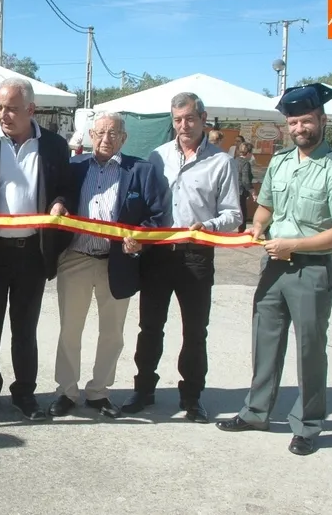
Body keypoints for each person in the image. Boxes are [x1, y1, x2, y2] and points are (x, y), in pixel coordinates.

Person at [216, 83, 332, 456]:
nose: (299, 128)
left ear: (322, 120)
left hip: (311, 270)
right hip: (273, 267)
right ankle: (256, 412)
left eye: (306, 121)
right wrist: (257, 226)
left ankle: (308, 424)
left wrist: (292, 245)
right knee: (264, 342)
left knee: (310, 350)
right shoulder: (280, 162)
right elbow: (266, 206)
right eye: (293, 122)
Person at [121, 92, 241, 423]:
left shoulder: (221, 162)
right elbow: (145, 203)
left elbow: (233, 214)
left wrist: (209, 225)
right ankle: (143, 390)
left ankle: (192, 398)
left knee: (195, 330)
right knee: (149, 327)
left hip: (195, 256)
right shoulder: (157, 156)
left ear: (203, 118)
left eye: (189, 118)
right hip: (158, 256)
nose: (183, 125)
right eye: (177, 120)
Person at [0, 77, 70, 421]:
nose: (3, 115)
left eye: (11, 108)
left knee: (25, 329)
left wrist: (60, 203)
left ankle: (24, 393)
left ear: (31, 110)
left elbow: (64, 187)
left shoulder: (54, 145)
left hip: (31, 253)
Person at [48, 112, 165, 419]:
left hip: (117, 262)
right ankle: (66, 391)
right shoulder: (74, 166)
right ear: (90, 135)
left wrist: (140, 238)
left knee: (112, 333)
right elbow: (57, 195)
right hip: (76, 258)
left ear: (124, 138)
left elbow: (156, 215)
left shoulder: (140, 170)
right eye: (100, 133)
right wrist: (58, 204)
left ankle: (99, 392)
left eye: (113, 133)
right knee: (70, 330)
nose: (105, 139)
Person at [235, 141, 257, 233]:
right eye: (251, 153)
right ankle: (241, 232)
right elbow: (246, 180)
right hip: (241, 191)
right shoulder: (245, 163)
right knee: (243, 212)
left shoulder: (234, 160)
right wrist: (253, 192)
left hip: (233, 190)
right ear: (248, 153)